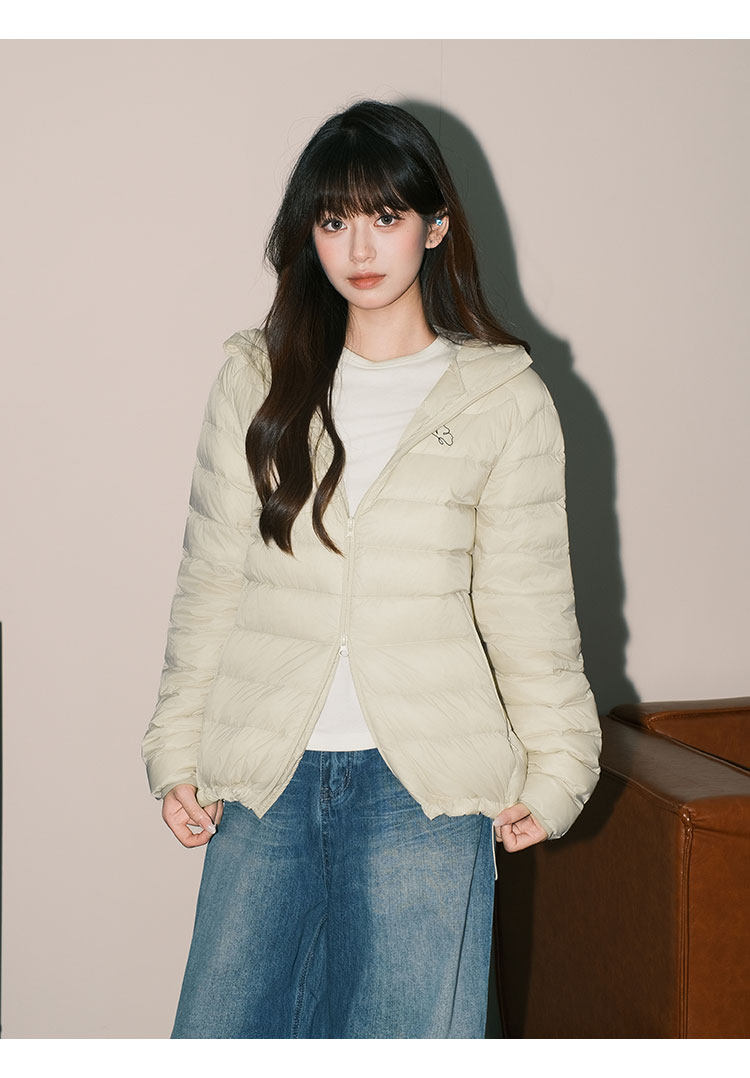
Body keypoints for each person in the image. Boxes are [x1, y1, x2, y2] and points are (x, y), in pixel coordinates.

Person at [141, 99, 601, 1039]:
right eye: (333, 219)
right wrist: (174, 749)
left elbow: (528, 605)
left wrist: (560, 765)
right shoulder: (256, 378)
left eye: (385, 216)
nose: (358, 247)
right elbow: (212, 581)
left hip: (423, 788)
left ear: (434, 227)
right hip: (267, 772)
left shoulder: (503, 398)